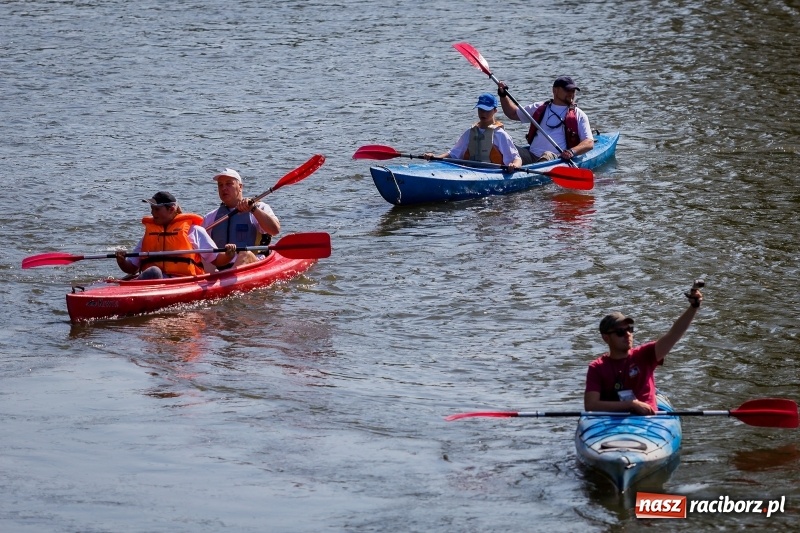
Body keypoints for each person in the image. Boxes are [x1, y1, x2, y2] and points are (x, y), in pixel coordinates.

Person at [584, 285, 704, 415]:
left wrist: (693, 307)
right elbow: (591, 405)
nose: (627, 334)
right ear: (606, 338)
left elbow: (674, 334)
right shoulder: (597, 367)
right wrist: (631, 404)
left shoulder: (645, 354)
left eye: (629, 329)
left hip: (647, 421)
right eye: (620, 332)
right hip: (613, 422)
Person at [116, 191, 237, 279]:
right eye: (152, 209)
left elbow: (217, 260)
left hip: (181, 282)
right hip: (153, 283)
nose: (152, 213)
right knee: (150, 273)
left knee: (154, 271)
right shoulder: (149, 234)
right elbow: (131, 268)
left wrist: (229, 255)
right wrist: (121, 261)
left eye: (157, 209)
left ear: (171, 209)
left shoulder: (193, 231)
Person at [497, 76, 594, 165]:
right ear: (555, 90)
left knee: (547, 155)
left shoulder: (579, 115)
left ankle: (531, 172)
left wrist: (571, 152)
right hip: (531, 155)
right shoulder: (539, 108)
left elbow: (589, 142)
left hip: (555, 158)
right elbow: (512, 113)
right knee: (505, 147)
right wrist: (503, 95)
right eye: (567, 90)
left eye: (573, 91)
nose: (571, 94)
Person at [203, 168, 281, 269]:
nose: (224, 188)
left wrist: (253, 209)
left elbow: (275, 230)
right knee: (203, 257)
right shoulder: (211, 217)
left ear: (240, 187)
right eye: (220, 185)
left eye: (228, 184)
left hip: (252, 263)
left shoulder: (259, 207)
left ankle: (229, 276)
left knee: (245, 254)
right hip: (221, 267)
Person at [423, 93, 522, 170]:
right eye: (481, 109)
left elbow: (516, 158)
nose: (483, 113)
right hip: (470, 171)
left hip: (493, 172)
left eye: (487, 110)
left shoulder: (500, 134)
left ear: (495, 111)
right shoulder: (470, 132)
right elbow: (453, 154)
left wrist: (514, 165)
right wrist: (435, 157)